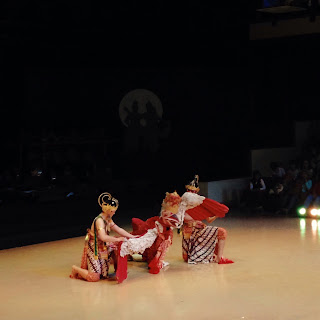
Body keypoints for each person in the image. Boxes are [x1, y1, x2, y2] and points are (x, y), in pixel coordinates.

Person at [70, 192, 135, 282]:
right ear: (108, 210)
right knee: (94, 277)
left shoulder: (108, 219)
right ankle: (75, 269)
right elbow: (103, 237)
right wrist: (118, 239)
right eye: (113, 211)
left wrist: (132, 237)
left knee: (117, 247)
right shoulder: (99, 221)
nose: (114, 213)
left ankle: (118, 270)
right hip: (94, 247)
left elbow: (118, 229)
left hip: (104, 245)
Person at [182, 175, 234, 265]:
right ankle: (213, 256)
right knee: (187, 257)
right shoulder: (181, 207)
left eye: (194, 192)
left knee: (222, 232)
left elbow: (209, 220)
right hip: (190, 234)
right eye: (190, 191)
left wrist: (217, 214)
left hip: (200, 231)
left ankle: (219, 258)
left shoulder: (198, 204)